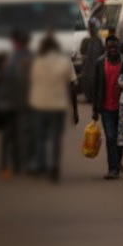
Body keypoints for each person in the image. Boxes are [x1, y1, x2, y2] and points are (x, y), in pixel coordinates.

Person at [28, 35, 79, 182]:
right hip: (58, 105)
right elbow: (73, 86)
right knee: (56, 138)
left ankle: (40, 164)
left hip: (39, 105)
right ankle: (54, 166)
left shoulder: (36, 62)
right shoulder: (65, 63)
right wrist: (74, 111)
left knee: (40, 137)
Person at [0, 30, 32, 179]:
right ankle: (18, 165)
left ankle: (8, 166)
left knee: (9, 137)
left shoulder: (13, 58)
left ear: (16, 43)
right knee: (21, 135)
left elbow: (7, 77)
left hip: (11, 103)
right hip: (23, 103)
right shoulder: (28, 57)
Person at [92, 36, 123, 180]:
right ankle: (113, 168)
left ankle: (117, 163)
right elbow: (96, 87)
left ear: (118, 47)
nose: (112, 50)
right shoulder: (100, 63)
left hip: (122, 108)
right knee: (110, 138)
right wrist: (95, 110)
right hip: (106, 108)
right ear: (106, 48)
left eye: (114, 47)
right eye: (109, 47)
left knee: (120, 139)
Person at [78, 19, 104, 104]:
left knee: (95, 81)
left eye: (94, 28)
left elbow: (102, 52)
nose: (93, 30)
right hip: (88, 66)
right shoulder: (86, 41)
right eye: (91, 28)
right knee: (87, 81)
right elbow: (82, 51)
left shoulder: (98, 41)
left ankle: (94, 98)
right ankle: (89, 97)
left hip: (96, 65)